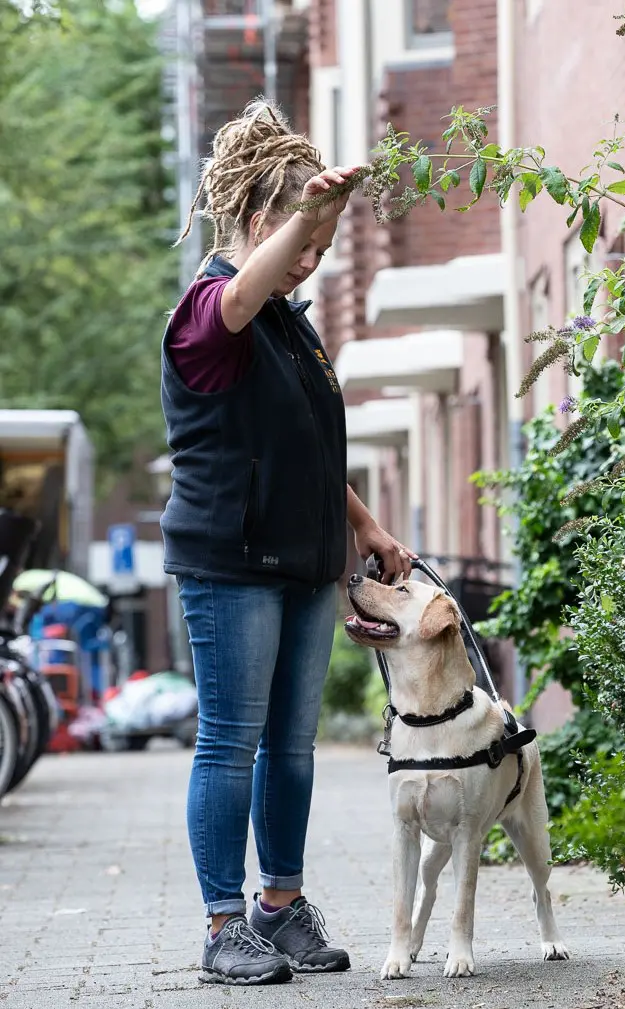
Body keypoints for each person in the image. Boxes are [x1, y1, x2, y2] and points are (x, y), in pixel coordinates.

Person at [160, 98, 415, 986]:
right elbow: (236, 295)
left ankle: (280, 905)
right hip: (231, 561)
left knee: (292, 745)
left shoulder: (292, 327)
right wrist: (309, 214)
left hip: (308, 557)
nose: (314, 261)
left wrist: (369, 527)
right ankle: (224, 923)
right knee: (231, 739)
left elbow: (306, 446)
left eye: (323, 247)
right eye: (304, 243)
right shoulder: (210, 311)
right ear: (263, 223)